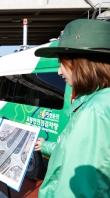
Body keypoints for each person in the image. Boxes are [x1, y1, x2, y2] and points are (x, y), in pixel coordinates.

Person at [34, 19, 110, 197]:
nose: (59, 72)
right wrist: (46, 146)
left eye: (62, 63)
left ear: (81, 63)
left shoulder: (93, 111)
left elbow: (77, 187)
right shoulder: (101, 101)